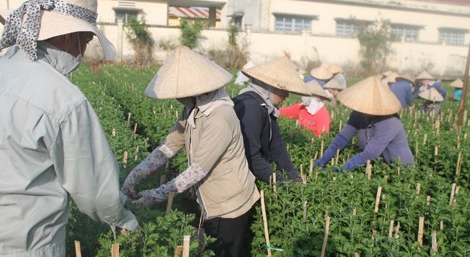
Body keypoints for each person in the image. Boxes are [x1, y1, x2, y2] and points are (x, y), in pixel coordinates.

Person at [0, 0, 139, 256]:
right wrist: (128, 224)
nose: (84, 49)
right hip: (26, 247)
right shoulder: (62, 99)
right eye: (87, 39)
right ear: (70, 36)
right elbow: (97, 194)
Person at [121, 46, 260, 257]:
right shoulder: (193, 109)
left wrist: (155, 195)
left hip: (229, 205)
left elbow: (197, 171)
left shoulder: (220, 117)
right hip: (208, 199)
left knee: (223, 252)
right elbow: (169, 146)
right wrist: (136, 174)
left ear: (198, 91)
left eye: (181, 94)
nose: (178, 99)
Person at [233, 55, 310, 183]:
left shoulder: (265, 106)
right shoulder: (252, 109)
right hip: (235, 178)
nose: (287, 95)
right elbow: (251, 157)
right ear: (269, 87)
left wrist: (292, 174)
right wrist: (281, 183)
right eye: (283, 89)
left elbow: (275, 142)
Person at [314, 75, 414, 171]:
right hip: (376, 166)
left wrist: (341, 170)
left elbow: (370, 153)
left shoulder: (390, 122)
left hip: (398, 168)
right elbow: (343, 137)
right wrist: (323, 160)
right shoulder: (359, 113)